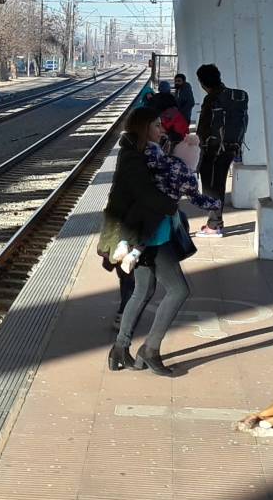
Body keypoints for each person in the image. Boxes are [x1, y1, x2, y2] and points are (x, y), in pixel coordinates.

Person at [98, 108, 190, 376]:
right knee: (178, 291)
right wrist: (174, 199)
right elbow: (148, 196)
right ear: (144, 128)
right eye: (157, 125)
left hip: (143, 234)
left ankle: (119, 349)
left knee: (143, 291)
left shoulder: (144, 153)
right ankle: (150, 350)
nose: (162, 130)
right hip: (147, 236)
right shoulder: (134, 158)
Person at [113, 133, 220, 273]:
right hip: (161, 210)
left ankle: (122, 244)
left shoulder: (161, 161)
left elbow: (147, 160)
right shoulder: (188, 177)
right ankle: (133, 256)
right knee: (148, 233)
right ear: (193, 160)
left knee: (130, 222)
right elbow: (197, 199)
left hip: (142, 201)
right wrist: (215, 204)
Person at [195, 63, 249, 237]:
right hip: (231, 147)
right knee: (219, 182)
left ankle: (214, 225)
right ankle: (216, 223)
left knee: (211, 186)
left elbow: (203, 127)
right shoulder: (235, 97)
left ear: (203, 82)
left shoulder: (211, 98)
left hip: (212, 149)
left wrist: (196, 145)